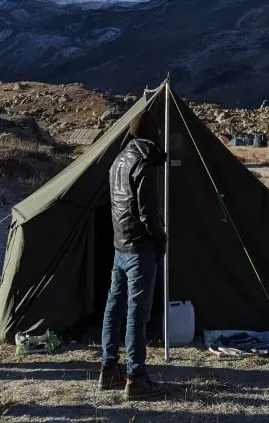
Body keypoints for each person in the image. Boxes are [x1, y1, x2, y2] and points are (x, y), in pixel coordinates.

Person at [98, 112, 168, 401]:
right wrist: (161, 239)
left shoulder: (118, 161)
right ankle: (136, 378)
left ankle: (108, 368)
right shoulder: (145, 161)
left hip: (120, 244)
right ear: (152, 135)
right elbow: (148, 211)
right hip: (140, 247)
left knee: (114, 306)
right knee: (137, 313)